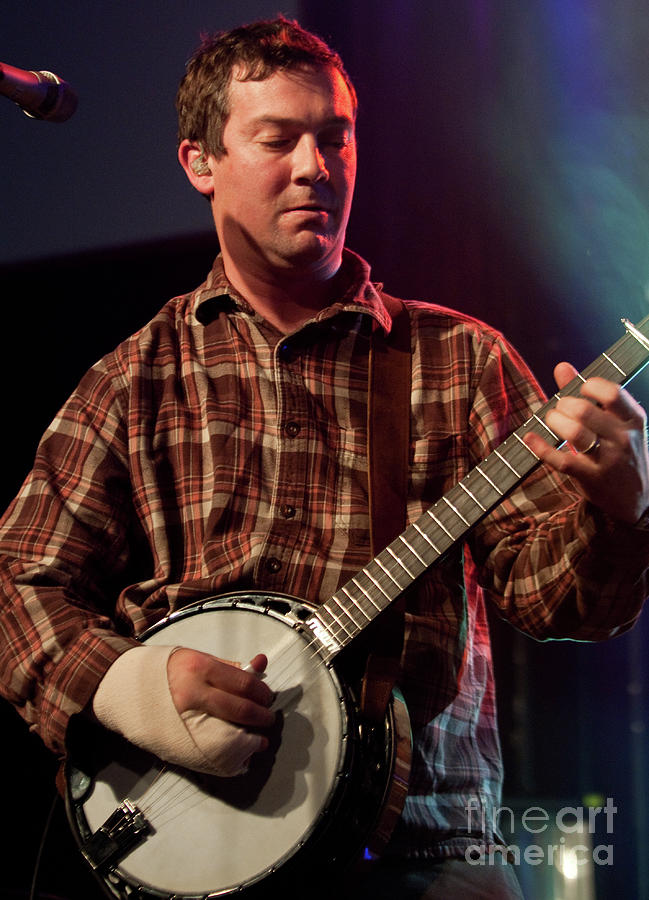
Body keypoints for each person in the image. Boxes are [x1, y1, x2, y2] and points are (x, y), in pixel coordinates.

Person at [1, 16, 648, 900]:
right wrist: (134, 687)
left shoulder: (460, 358)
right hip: (185, 859)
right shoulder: (135, 378)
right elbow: (18, 580)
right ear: (200, 163)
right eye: (278, 140)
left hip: (425, 846)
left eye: (334, 137)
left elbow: (554, 603)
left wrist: (619, 511)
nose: (316, 166)